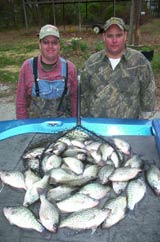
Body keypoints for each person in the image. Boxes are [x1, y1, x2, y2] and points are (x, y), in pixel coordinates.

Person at [81, 17, 156, 119]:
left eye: (119, 35)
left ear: (125, 35)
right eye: (110, 36)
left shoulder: (140, 63)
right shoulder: (92, 63)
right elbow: (83, 97)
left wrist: (141, 128)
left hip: (130, 130)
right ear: (103, 37)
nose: (114, 40)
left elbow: (148, 100)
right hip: (97, 128)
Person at [16, 24, 77, 119]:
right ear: (39, 44)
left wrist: (74, 125)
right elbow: (21, 102)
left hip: (63, 128)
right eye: (46, 42)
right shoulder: (27, 67)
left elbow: (74, 101)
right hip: (35, 129)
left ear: (59, 45)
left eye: (54, 42)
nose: (50, 46)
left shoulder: (70, 68)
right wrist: (23, 126)